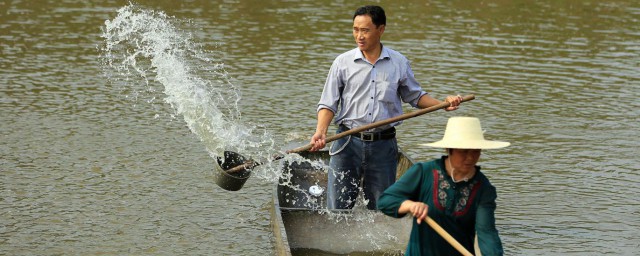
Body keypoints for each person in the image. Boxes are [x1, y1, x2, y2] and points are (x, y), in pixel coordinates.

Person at [309, 5, 462, 210]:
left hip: (383, 146)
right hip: (347, 143)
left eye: (365, 30)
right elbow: (328, 103)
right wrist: (321, 132)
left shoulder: (398, 62)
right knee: (337, 208)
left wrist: (443, 104)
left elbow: (415, 96)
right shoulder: (342, 62)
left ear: (381, 30)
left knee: (381, 210)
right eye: (355, 29)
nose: (359, 36)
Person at [377, 117, 509, 256]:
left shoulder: (483, 188)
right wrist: (410, 205)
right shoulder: (424, 172)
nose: (470, 158)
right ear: (448, 149)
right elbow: (385, 201)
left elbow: (487, 233)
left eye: (475, 151)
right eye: (463, 151)